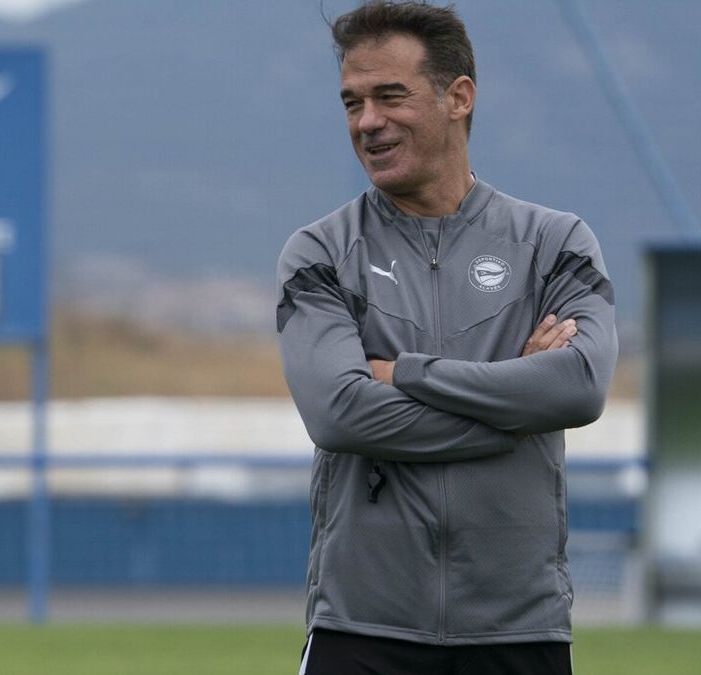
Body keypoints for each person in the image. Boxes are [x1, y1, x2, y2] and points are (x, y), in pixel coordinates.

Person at [276, 2, 617, 674]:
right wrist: (512, 415)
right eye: (353, 102)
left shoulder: (555, 245)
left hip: (519, 631)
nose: (367, 122)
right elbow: (338, 411)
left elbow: (578, 386)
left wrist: (404, 373)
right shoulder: (319, 252)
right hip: (362, 628)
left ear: (458, 97)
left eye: (389, 96)